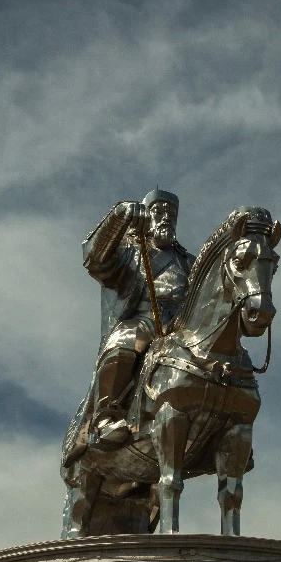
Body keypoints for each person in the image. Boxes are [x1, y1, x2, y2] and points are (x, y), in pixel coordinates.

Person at [81, 189, 195, 446]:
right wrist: (119, 217)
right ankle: (107, 415)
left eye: (171, 214)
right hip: (143, 321)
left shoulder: (189, 262)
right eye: (159, 212)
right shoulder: (131, 251)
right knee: (125, 342)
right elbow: (94, 259)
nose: (166, 218)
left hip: (181, 327)